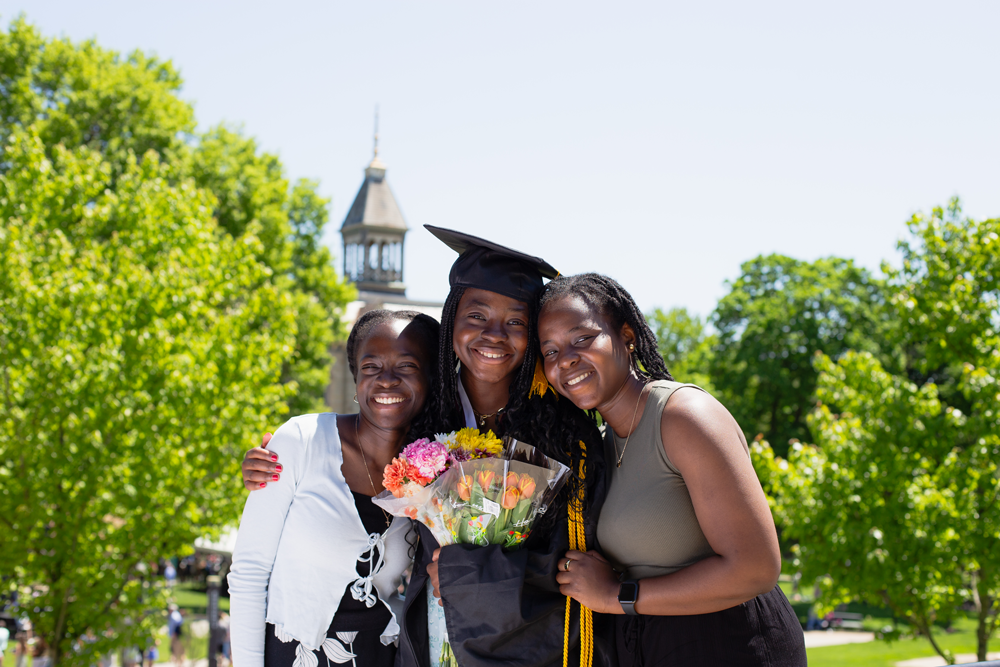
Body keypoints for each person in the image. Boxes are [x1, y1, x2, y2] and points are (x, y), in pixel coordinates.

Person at [242, 228, 614, 667]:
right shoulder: (423, 421)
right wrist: (276, 457)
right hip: (426, 643)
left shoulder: (566, 436)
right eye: (476, 316)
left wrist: (470, 574)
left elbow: (576, 565)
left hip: (529, 651)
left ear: (532, 334)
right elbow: (350, 454)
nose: (494, 335)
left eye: (515, 321)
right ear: (452, 319)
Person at [536, 273, 807, 666]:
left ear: (626, 336)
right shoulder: (601, 444)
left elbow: (757, 568)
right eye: (550, 351)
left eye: (582, 339)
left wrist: (617, 596)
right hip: (656, 645)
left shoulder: (682, 417)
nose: (567, 359)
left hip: (731, 643)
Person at [228, 310, 440, 667]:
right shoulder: (300, 441)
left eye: (406, 366)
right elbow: (248, 574)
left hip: (382, 655)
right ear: (356, 377)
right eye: (371, 367)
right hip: (293, 655)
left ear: (431, 378)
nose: (386, 380)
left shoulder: (433, 468)